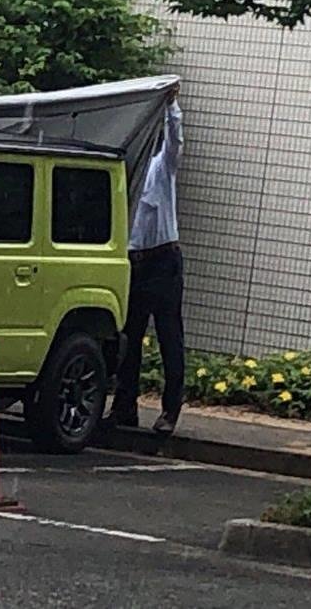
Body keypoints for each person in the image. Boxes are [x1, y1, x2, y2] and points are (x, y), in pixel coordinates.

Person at [106, 85, 185, 434]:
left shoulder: (160, 168)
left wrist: (171, 107)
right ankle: (125, 407)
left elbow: (175, 143)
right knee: (130, 336)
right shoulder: (125, 173)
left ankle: (170, 409)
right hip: (134, 262)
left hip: (163, 260)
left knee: (170, 336)